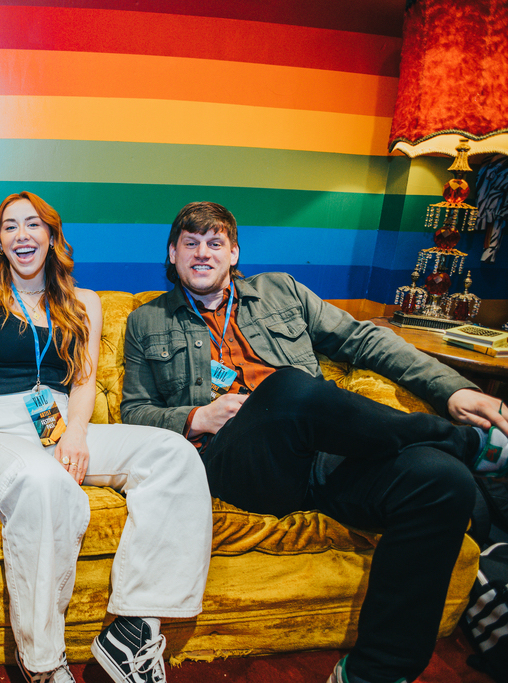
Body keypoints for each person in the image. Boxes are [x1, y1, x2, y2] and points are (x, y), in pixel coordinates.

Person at [121, 201, 508, 683]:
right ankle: (470, 446)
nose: (203, 253)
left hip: (326, 457)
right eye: (191, 243)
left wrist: (454, 388)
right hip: (237, 464)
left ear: (234, 252)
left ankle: (374, 672)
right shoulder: (147, 321)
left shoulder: (281, 290)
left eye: (215, 242)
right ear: (173, 255)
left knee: (440, 481)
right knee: (289, 388)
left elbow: (364, 340)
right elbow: (133, 413)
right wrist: (198, 416)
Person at [0, 192, 212, 683]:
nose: (23, 234)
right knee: (43, 482)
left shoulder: (84, 303)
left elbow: (83, 381)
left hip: (62, 423)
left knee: (173, 452)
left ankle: (133, 630)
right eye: (10, 226)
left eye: (34, 224)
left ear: (52, 237)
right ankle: (43, 663)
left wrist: (77, 433)